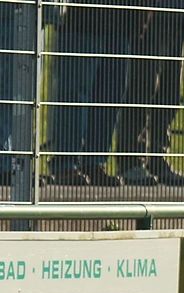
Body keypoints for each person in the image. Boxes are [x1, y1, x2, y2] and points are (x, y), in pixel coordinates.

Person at [47, 0, 148, 186]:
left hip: (121, 23)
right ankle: (66, 163)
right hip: (81, 21)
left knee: (110, 96)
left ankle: (94, 162)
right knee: (75, 95)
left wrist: (140, 17)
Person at [116, 0, 184, 187]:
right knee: (142, 89)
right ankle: (131, 161)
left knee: (170, 94)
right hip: (152, 18)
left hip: (179, 19)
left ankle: (157, 158)